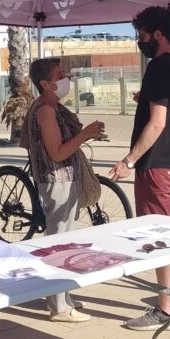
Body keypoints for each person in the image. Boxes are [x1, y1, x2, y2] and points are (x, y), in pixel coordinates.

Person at [109, 6, 170, 331]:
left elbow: (158, 122)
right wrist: (144, 99)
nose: (139, 41)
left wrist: (129, 160)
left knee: (158, 238)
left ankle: (164, 308)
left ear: (157, 35)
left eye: (142, 35)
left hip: (156, 167)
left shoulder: (159, 67)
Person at [24, 57, 106, 322]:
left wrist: (86, 134)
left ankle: (62, 295)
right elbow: (57, 152)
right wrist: (84, 135)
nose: (65, 79)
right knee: (59, 240)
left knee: (63, 238)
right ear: (46, 83)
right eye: (60, 75)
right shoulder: (45, 111)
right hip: (56, 179)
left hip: (61, 178)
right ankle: (58, 305)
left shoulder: (51, 107)